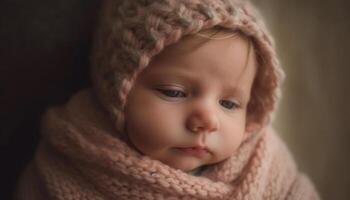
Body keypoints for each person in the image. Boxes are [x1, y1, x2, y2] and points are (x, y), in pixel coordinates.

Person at [15, 0, 320, 199]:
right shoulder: (72, 159)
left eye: (229, 104)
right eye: (174, 92)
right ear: (116, 92)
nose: (207, 120)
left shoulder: (264, 161)